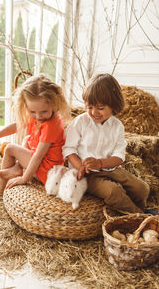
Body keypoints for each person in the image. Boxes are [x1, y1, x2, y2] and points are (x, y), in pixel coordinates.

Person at [62, 73, 150, 213]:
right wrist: (80, 167)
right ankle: (139, 217)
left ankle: (140, 209)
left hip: (110, 169)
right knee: (113, 192)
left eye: (100, 108)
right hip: (88, 174)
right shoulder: (80, 122)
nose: (94, 112)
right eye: (89, 107)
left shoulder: (118, 126)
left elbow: (119, 156)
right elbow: (68, 149)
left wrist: (101, 163)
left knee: (142, 188)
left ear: (114, 105)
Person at [0, 74, 70, 194]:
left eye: (44, 111)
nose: (38, 116)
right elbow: (18, 125)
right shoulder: (40, 114)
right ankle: (17, 168)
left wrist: (25, 178)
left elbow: (38, 157)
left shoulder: (51, 126)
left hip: (47, 171)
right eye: (32, 111)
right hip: (44, 164)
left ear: (54, 104)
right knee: (28, 139)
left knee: (10, 148)